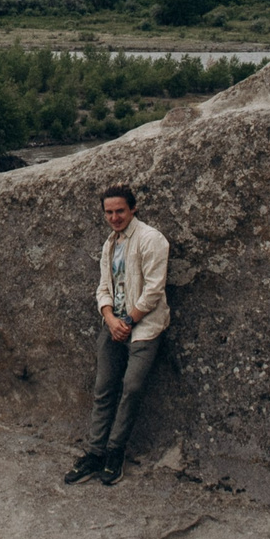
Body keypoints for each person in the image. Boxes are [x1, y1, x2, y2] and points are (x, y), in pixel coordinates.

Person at [64, 184, 171, 486]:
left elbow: (154, 289)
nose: (114, 217)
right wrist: (110, 318)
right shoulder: (110, 244)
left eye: (120, 211)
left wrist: (127, 320)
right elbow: (103, 287)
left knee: (132, 387)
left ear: (133, 208)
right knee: (103, 388)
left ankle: (115, 451)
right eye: (109, 212)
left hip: (145, 325)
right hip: (115, 324)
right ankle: (95, 452)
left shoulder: (152, 239)